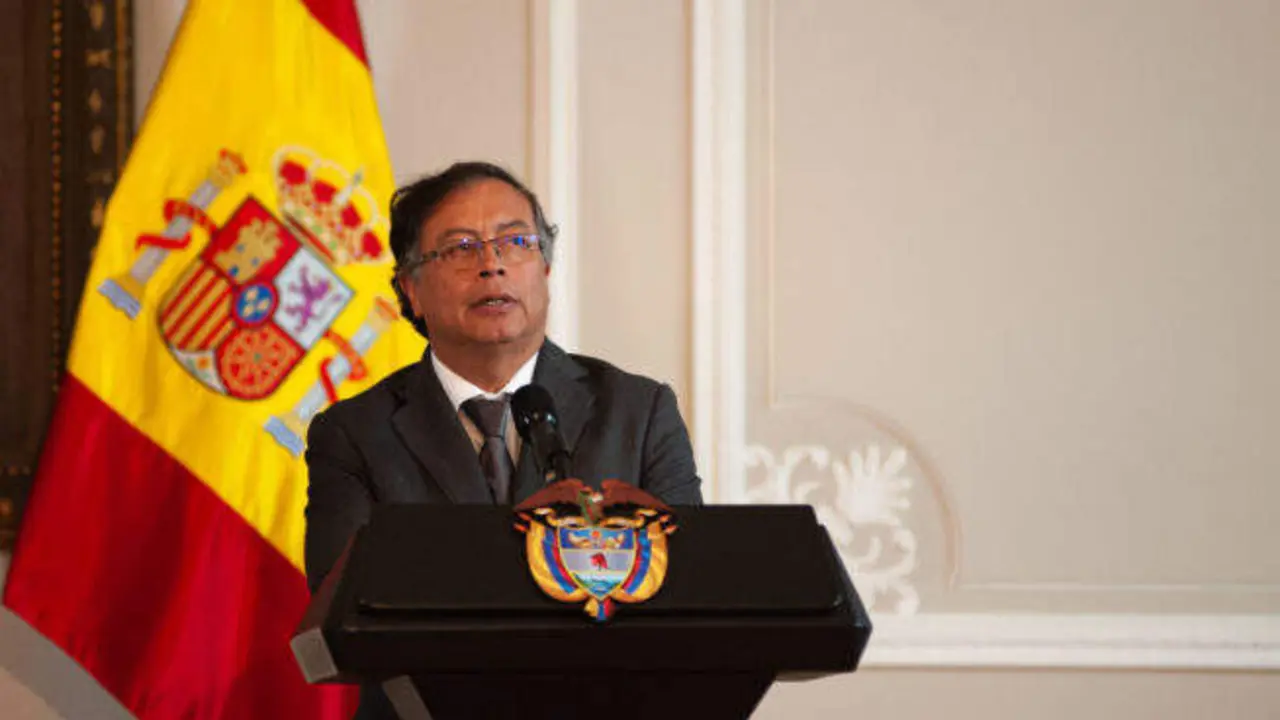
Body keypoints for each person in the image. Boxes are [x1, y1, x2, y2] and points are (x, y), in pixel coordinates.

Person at [302, 161, 702, 718]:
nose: (492, 264)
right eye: (461, 248)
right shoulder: (353, 433)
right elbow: (346, 605)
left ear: (543, 268)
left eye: (516, 241)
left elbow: (691, 589)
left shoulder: (639, 410)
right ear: (410, 289)